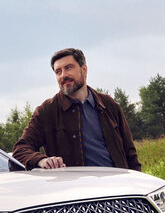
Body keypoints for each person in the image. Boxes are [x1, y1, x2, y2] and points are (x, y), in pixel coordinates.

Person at [10, 47, 142, 171]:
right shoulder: (47, 111)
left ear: (84, 70)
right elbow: (20, 149)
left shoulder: (108, 104)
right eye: (58, 71)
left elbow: (130, 154)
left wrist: (136, 182)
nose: (63, 75)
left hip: (117, 184)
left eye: (68, 68)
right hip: (74, 186)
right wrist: (42, 160)